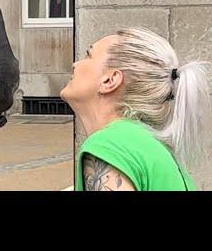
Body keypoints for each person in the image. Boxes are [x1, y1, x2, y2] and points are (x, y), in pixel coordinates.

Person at [61, 27, 211, 191]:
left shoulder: (110, 146)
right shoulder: (144, 143)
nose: (75, 64)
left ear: (109, 81)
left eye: (88, 55)